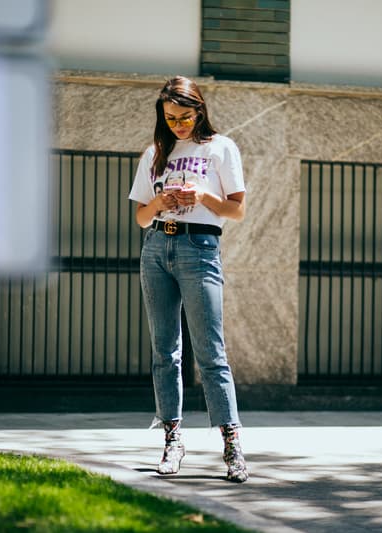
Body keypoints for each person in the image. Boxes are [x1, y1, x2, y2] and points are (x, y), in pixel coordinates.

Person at [128, 76, 248, 483]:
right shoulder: (156, 153)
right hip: (157, 248)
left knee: (211, 351)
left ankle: (232, 446)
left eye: (184, 116)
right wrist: (160, 201)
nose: (178, 124)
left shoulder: (221, 148)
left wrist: (202, 198)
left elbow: (236, 211)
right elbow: (141, 216)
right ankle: (172, 440)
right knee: (165, 351)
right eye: (170, 118)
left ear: (200, 110)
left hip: (200, 248)